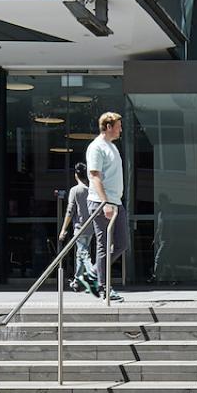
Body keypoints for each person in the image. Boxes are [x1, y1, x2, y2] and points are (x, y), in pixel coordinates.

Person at [85, 110, 126, 301]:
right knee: (103, 246)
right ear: (108, 127)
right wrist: (104, 203)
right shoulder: (96, 147)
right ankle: (103, 287)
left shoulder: (111, 146)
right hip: (102, 202)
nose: (120, 130)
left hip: (116, 202)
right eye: (118, 127)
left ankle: (92, 273)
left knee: (122, 244)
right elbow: (94, 176)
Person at [59, 162, 99, 292]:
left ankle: (93, 276)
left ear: (76, 175)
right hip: (91, 228)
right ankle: (77, 280)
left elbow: (70, 211)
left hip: (79, 227)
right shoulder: (91, 190)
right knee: (81, 254)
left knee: (83, 254)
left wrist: (63, 229)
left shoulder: (75, 190)